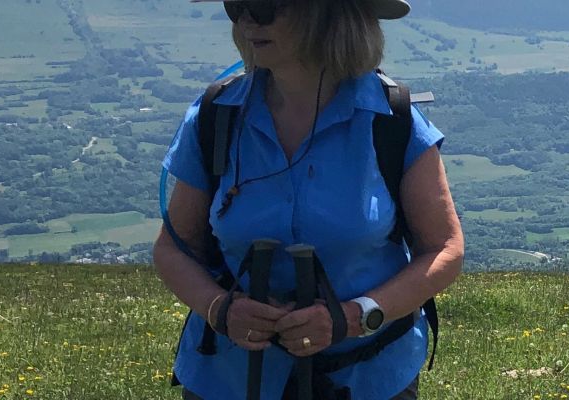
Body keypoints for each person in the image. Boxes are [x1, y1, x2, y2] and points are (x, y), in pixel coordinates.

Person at [152, 0, 463, 398]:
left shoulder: (391, 120)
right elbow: (174, 248)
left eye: (264, 6)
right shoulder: (216, 117)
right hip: (226, 379)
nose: (247, 19)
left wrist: (354, 317)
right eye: (238, 5)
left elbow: (444, 249)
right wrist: (220, 310)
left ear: (329, 15)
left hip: (365, 377)